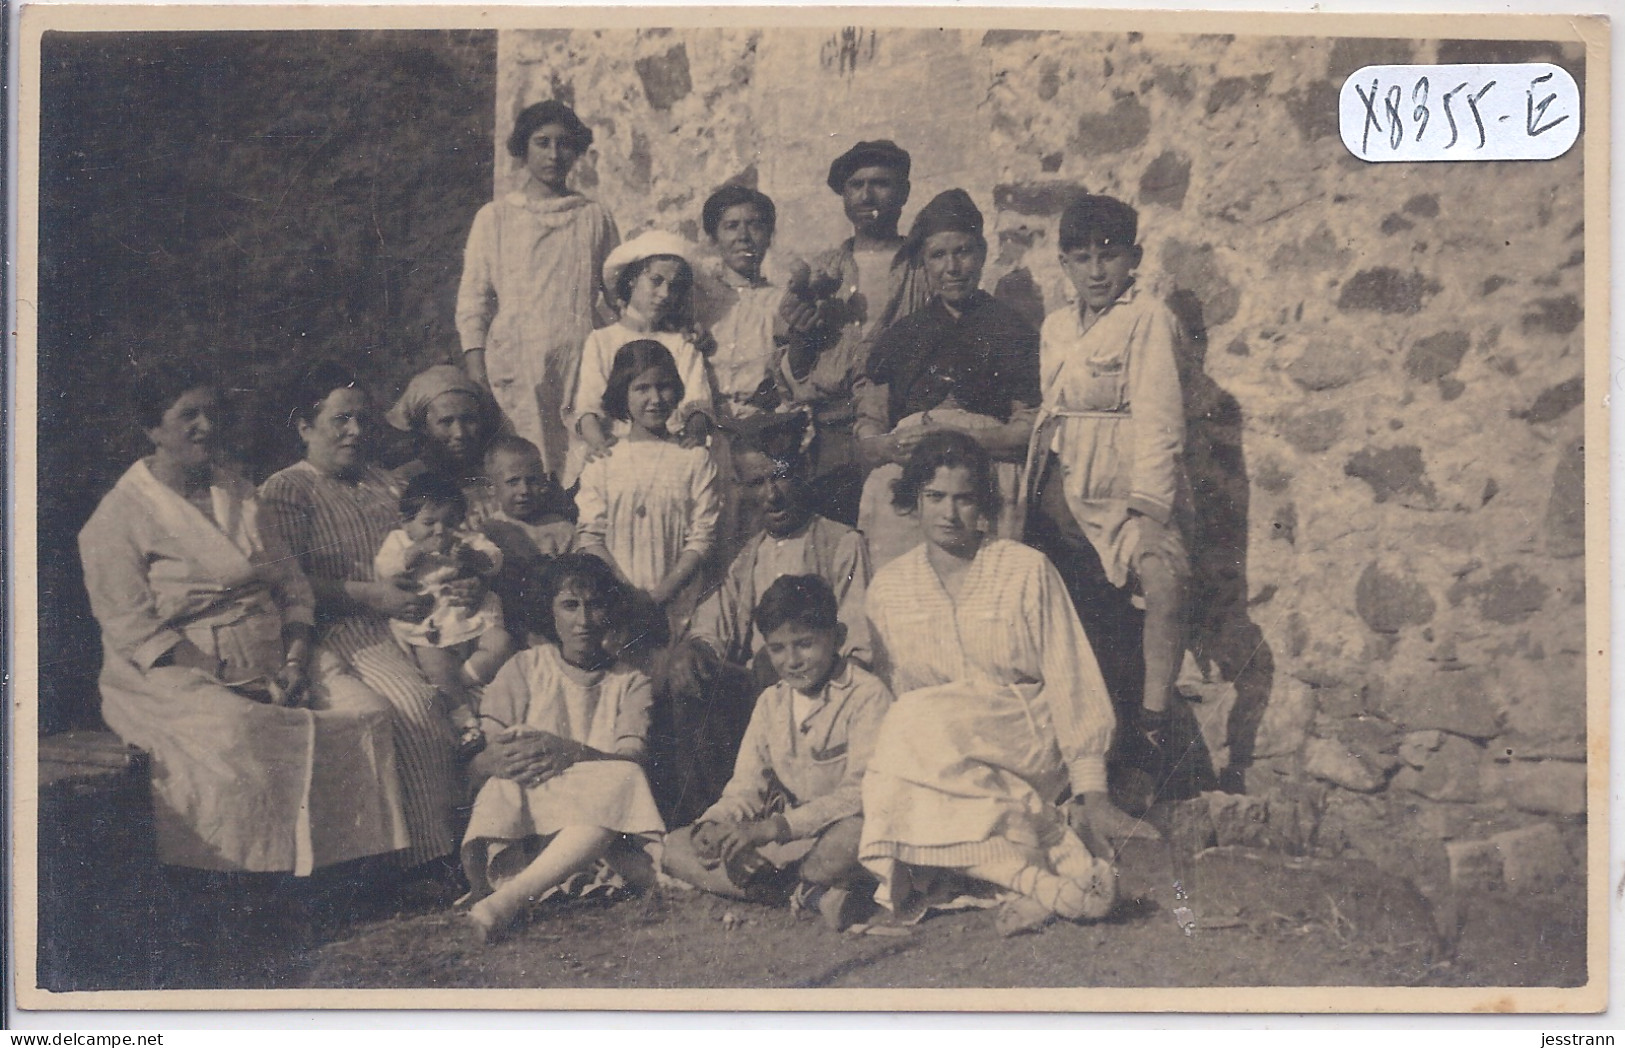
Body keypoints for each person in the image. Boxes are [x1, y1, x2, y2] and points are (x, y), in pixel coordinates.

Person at [79, 363, 407, 875]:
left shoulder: (238, 492)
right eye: (188, 416)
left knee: (366, 713)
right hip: (179, 670)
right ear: (153, 428)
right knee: (238, 731)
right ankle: (247, 879)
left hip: (276, 651)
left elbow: (292, 586)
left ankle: (351, 871)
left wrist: (297, 657)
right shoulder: (118, 518)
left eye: (211, 414)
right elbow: (135, 633)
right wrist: (231, 679)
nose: (205, 427)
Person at [860, 431, 1143, 937]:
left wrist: (1091, 789)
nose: (949, 513)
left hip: (1024, 734)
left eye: (964, 498)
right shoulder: (888, 588)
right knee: (914, 729)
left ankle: (1015, 875)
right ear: (914, 503)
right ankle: (1040, 884)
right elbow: (893, 687)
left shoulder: (1024, 569)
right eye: (935, 498)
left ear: (984, 504)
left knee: (915, 721)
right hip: (942, 755)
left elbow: (1069, 673)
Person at [260, 363, 472, 873]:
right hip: (342, 631)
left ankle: (488, 836)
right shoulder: (288, 491)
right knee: (416, 705)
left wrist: (463, 575)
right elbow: (286, 585)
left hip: (419, 619)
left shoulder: (386, 483)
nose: (355, 431)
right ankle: (433, 858)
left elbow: (431, 545)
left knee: (476, 690)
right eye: (340, 421)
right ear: (304, 427)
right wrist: (372, 596)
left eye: (361, 419)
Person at [1020, 195, 1192, 804]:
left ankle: (1153, 731)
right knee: (1073, 613)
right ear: (1064, 264)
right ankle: (1079, 758)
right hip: (1065, 482)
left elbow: (1160, 419)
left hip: (1125, 484)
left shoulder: (1147, 318)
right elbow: (1053, 409)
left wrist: (1147, 513)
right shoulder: (1057, 326)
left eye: (1109, 257)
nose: (1096, 272)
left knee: (1162, 585)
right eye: (1081, 259)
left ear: (1134, 259)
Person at [655, 411, 871, 826]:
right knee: (687, 675)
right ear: (741, 488)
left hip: (820, 692)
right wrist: (693, 649)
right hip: (762, 696)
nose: (771, 495)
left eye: (781, 476)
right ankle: (705, 822)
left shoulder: (840, 543)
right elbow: (713, 624)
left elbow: (857, 646)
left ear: (803, 471)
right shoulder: (749, 555)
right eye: (757, 483)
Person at [663, 575, 890, 931]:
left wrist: (772, 828)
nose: (792, 661)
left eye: (805, 644)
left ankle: (785, 886)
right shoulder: (772, 701)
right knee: (677, 845)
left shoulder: (866, 695)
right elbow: (745, 787)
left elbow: (860, 794)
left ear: (839, 637)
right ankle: (802, 892)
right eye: (778, 649)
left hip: (831, 831)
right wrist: (714, 825)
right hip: (788, 844)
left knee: (859, 834)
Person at [460, 554, 665, 943]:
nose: (583, 621)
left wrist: (569, 751)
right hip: (532, 811)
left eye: (595, 605)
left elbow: (630, 759)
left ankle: (508, 901)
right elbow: (484, 758)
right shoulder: (525, 667)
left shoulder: (630, 682)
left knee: (624, 777)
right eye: (570, 606)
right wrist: (499, 760)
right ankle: (521, 882)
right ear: (550, 613)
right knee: (501, 786)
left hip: (597, 824)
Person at [854, 188, 1041, 569]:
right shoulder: (902, 334)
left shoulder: (1011, 329)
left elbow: (1027, 430)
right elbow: (869, 425)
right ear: (923, 262)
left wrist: (962, 439)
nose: (952, 267)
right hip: (909, 472)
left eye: (964, 251)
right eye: (938, 255)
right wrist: (887, 446)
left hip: (986, 468)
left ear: (983, 254)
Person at [457, 99, 620, 477]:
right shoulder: (495, 217)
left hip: (579, 361)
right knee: (523, 470)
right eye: (542, 142)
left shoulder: (594, 217)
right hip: (515, 363)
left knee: (583, 468)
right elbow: (474, 300)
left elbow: (617, 295)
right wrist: (477, 369)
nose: (553, 154)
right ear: (523, 149)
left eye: (564, 144)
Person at [775, 140, 931, 526]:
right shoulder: (822, 270)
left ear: (904, 193)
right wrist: (800, 335)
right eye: (856, 185)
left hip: (902, 429)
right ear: (843, 196)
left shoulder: (924, 267)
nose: (867, 194)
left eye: (880, 183)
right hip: (832, 432)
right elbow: (789, 368)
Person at [575, 340, 722, 645]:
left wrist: (658, 597)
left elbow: (702, 539)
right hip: (617, 604)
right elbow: (590, 538)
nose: (655, 399)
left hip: (677, 606)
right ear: (622, 393)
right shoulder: (603, 461)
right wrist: (627, 594)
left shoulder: (694, 458)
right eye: (642, 388)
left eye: (664, 387)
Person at [373, 471, 515, 757]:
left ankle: (459, 680)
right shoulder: (400, 541)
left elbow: (494, 559)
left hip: (471, 619)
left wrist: (473, 558)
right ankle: (464, 720)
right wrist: (415, 553)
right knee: (433, 662)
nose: (440, 531)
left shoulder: (466, 540)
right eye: (429, 523)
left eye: (450, 522)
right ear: (406, 523)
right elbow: (385, 567)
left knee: (501, 642)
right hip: (431, 626)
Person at [565, 230, 715, 486]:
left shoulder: (682, 343)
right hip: (615, 456)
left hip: (669, 457)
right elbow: (588, 407)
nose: (665, 294)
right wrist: (600, 445)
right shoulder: (602, 341)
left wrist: (694, 433)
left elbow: (697, 402)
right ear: (632, 279)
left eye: (674, 286)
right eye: (656, 280)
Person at [385, 364, 504, 530]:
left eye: (469, 420)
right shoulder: (400, 484)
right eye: (446, 422)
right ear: (423, 428)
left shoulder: (497, 478)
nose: (460, 433)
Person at [479, 434, 576, 632]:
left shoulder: (561, 529)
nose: (524, 490)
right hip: (503, 621)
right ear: (491, 487)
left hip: (551, 620)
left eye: (532, 480)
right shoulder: (488, 530)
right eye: (513, 482)